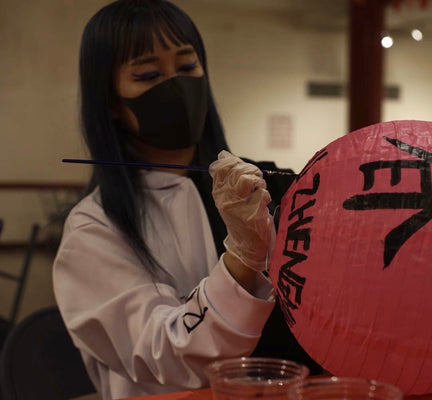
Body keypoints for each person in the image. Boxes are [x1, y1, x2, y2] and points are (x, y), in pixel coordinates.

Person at [52, 1, 318, 399]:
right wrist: (243, 259)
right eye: (148, 74)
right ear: (110, 102)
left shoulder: (264, 185)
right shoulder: (94, 228)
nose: (176, 85)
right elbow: (168, 356)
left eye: (188, 67)